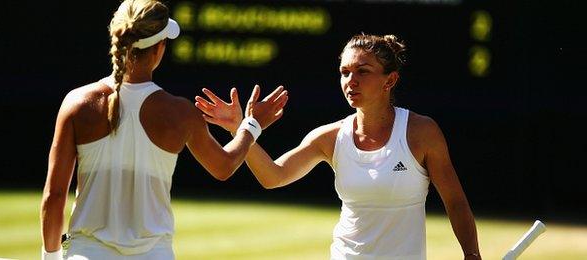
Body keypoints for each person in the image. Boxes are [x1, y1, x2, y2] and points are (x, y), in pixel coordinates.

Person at [195, 33, 482, 259]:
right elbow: (274, 176)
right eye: (345, 72)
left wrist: (471, 254)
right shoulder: (329, 137)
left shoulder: (422, 132)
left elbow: (455, 201)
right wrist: (240, 128)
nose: (350, 81)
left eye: (363, 71)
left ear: (390, 80)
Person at [39, 0, 288, 259]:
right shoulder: (180, 113)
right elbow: (223, 166)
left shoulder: (77, 103)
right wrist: (250, 125)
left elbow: (54, 196)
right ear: (158, 49)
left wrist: (51, 256)